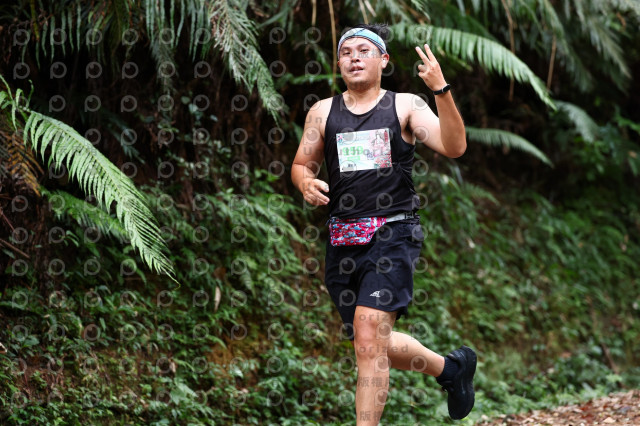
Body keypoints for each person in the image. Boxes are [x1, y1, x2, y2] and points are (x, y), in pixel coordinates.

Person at [291, 23, 477, 425]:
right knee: (370, 341)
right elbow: (302, 163)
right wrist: (305, 182)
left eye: (364, 50)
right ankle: (451, 370)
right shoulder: (322, 112)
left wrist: (441, 90)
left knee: (368, 336)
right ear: (338, 63)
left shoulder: (405, 106)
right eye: (346, 52)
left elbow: (454, 146)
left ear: (383, 60)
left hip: (393, 232)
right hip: (342, 239)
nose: (354, 58)